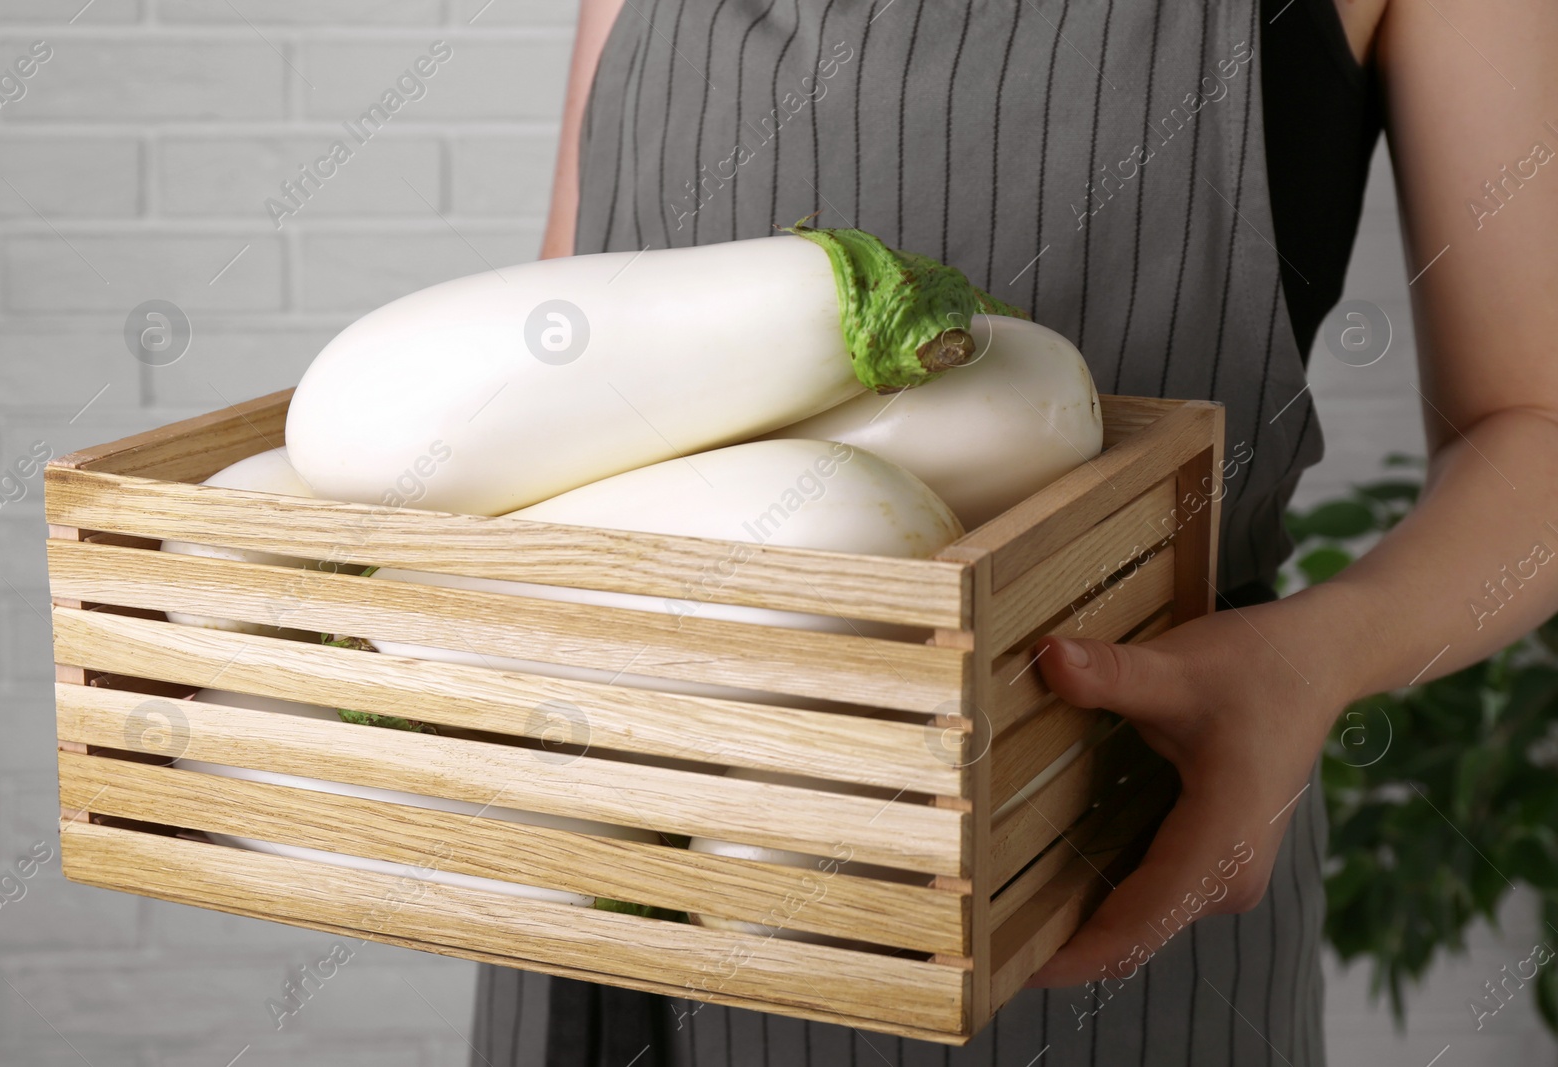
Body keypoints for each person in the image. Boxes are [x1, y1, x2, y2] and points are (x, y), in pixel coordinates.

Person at [469, 0, 1558, 1063]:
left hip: (1088, 862)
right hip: (599, 838)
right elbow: (579, 344)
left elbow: (1535, 423)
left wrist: (1323, 652)